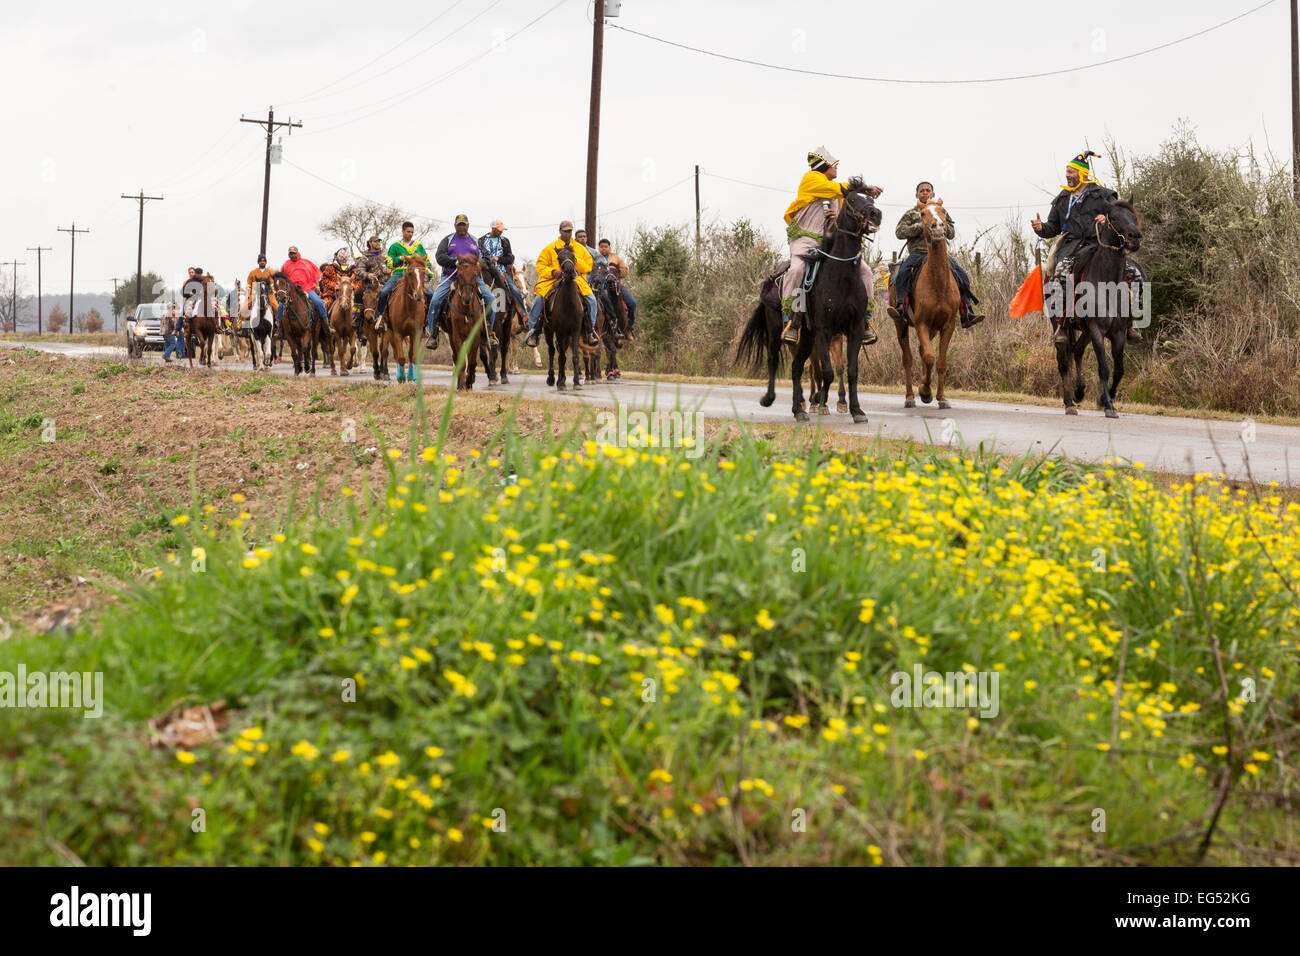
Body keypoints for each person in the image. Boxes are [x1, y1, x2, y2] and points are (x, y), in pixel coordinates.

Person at [1032, 149, 1143, 344]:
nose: (1067, 175)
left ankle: (1131, 324)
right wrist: (1041, 228)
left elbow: (1119, 213)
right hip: (1071, 246)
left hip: (1099, 245)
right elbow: (1053, 227)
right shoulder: (1062, 198)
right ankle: (1063, 325)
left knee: (1136, 275)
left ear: (1082, 174)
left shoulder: (1104, 195)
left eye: (1071, 172)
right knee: (1059, 276)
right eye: (1067, 172)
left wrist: (1105, 217)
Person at [780, 145, 881, 345]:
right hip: (805, 239)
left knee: (866, 272)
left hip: (829, 243)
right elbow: (834, 188)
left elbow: (840, 225)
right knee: (798, 270)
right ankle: (792, 319)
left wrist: (837, 219)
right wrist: (863, 187)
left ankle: (865, 321)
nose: (837, 169)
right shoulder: (811, 180)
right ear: (824, 166)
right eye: (834, 166)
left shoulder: (838, 196)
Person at [888, 181, 985, 329]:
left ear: (933, 193)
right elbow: (899, 232)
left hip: (940, 254)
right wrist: (922, 224)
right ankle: (901, 306)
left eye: (928, 190)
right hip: (918, 253)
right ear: (917, 194)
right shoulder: (911, 213)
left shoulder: (940, 211)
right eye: (921, 191)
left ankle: (966, 311)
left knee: (962, 275)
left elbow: (951, 233)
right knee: (903, 273)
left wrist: (940, 225)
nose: (925, 192)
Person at [522, 220, 600, 348]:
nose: (568, 233)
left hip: (575, 279)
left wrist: (574, 260)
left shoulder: (580, 249)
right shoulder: (550, 248)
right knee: (538, 300)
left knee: (591, 299)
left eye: (570, 231)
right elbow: (540, 265)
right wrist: (553, 272)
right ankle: (533, 332)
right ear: (560, 231)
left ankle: (590, 331)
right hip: (552, 280)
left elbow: (588, 265)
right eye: (565, 231)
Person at [426, 214, 497, 348]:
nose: (462, 227)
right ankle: (433, 333)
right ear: (455, 226)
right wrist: (455, 262)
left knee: (491, 299)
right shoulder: (448, 240)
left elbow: (487, 258)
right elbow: (439, 257)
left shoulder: (476, 241)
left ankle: (489, 332)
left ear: (468, 225)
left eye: (464, 224)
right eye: (459, 224)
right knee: (435, 300)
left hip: (473, 278)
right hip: (451, 276)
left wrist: (477, 264)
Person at [376, 221, 431, 319]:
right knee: (384, 292)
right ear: (403, 231)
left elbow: (427, 262)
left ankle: (428, 321)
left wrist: (426, 275)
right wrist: (399, 259)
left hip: (416, 276)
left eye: (412, 232)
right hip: (399, 274)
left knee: (431, 294)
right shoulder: (395, 246)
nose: (410, 234)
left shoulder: (418, 246)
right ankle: (379, 317)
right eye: (408, 232)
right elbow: (389, 263)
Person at [479, 219, 528, 321]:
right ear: (493, 229)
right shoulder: (481, 240)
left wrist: (499, 259)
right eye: (499, 230)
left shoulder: (505, 241)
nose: (501, 231)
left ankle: (523, 316)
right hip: (486, 270)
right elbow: (482, 255)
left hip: (502, 271)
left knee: (514, 290)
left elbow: (510, 258)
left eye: (502, 230)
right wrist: (489, 260)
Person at [277, 246, 329, 328]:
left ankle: (326, 324)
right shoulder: (285, 265)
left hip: (306, 288)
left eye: (294, 253)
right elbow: (282, 279)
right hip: (292, 290)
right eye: (291, 254)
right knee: (280, 306)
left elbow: (315, 274)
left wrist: (318, 287)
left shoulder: (306, 263)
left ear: (297, 253)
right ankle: (279, 328)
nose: (292, 255)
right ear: (289, 255)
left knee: (318, 302)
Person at [597, 238, 637, 340]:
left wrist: (615, 274)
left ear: (609, 248)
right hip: (602, 287)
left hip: (616, 286)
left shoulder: (616, 258)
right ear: (599, 248)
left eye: (606, 247)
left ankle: (628, 328)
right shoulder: (596, 259)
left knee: (632, 303)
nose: (603, 249)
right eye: (601, 247)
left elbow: (625, 270)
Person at [353, 235, 390, 333]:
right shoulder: (365, 256)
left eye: (379, 241)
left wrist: (389, 269)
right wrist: (367, 275)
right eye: (375, 242)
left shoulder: (386, 254)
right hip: (370, 285)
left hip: (386, 283)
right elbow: (359, 270)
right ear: (370, 243)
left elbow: (392, 264)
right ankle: (357, 318)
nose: (378, 243)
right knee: (358, 294)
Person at [319, 248, 354, 316]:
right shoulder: (331, 267)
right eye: (341, 257)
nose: (344, 259)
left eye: (345, 257)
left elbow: (357, 281)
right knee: (324, 305)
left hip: (349, 294)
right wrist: (334, 285)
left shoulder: (352, 268)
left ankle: (358, 322)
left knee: (359, 306)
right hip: (332, 293)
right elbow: (324, 279)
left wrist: (352, 287)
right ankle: (323, 322)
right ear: (337, 258)